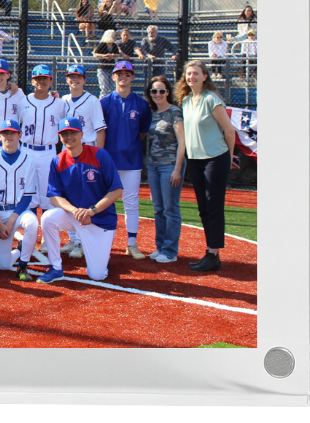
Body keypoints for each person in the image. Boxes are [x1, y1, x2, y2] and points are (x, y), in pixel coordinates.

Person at [37, 117, 123, 284]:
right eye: (64, 134)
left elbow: (116, 190)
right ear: (59, 137)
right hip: (75, 217)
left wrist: (92, 210)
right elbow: (54, 198)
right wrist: (75, 211)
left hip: (100, 219)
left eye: (73, 133)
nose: (69, 137)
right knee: (48, 218)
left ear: (81, 134)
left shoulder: (99, 154)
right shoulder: (57, 160)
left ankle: (103, 258)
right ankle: (55, 267)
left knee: (96, 275)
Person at [176, 60, 239, 273]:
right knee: (203, 208)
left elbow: (229, 131)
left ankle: (212, 253)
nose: (191, 77)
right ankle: (212, 253)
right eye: (188, 73)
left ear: (205, 76)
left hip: (215, 159)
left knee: (213, 206)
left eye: (196, 73)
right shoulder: (185, 100)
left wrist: (229, 156)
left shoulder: (211, 99)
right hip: (195, 160)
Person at [99, 60, 151, 260]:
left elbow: (142, 132)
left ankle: (132, 243)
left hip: (131, 161)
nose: (123, 77)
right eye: (119, 74)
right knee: (104, 202)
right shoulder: (104, 102)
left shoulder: (141, 104)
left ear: (133, 77)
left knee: (131, 203)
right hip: (109, 162)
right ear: (113, 77)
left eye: (127, 74)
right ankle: (103, 242)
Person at [19, 64, 68, 268]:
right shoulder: (23, 101)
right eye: (38, 79)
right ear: (32, 81)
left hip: (49, 151)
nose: (41, 82)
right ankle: (29, 237)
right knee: (28, 195)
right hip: (27, 150)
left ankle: (48, 240)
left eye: (45, 78)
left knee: (49, 197)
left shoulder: (59, 104)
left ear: (51, 81)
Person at [60, 63, 107, 261]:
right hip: (67, 151)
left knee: (85, 196)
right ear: (67, 80)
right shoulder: (62, 100)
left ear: (85, 80)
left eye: (78, 77)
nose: (75, 80)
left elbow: (100, 130)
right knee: (68, 195)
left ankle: (83, 240)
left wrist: (99, 155)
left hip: (87, 150)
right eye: (71, 77)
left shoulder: (92, 100)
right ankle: (73, 238)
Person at [0, 119, 40, 276]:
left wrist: (10, 222)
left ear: (20, 136)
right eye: (5, 133)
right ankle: (19, 250)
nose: (9, 136)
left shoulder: (29, 161)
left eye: (12, 133)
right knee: (4, 265)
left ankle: (23, 264)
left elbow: (27, 197)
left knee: (32, 222)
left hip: (18, 212)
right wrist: (0, 224)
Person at [144, 75, 185, 264]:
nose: (158, 94)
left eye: (162, 91)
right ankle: (160, 246)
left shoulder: (174, 112)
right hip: (153, 166)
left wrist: (177, 169)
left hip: (170, 166)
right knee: (158, 209)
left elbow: (182, 142)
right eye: (154, 91)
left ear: (168, 92)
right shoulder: (152, 113)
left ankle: (170, 251)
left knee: (170, 209)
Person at [93, 29, 120, 98]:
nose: (116, 37)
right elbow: (95, 54)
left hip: (112, 68)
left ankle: (111, 101)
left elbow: (118, 54)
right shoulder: (103, 44)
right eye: (114, 36)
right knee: (104, 88)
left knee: (112, 87)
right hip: (103, 68)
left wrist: (113, 55)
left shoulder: (114, 45)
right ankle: (102, 102)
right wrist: (105, 56)